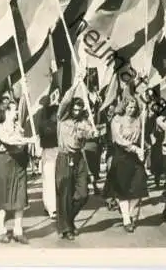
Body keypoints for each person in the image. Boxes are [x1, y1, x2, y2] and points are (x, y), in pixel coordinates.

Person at [55, 83, 101, 240]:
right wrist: (75, 83)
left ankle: (68, 220)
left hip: (79, 158)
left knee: (83, 194)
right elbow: (65, 101)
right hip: (64, 157)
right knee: (65, 194)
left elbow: (89, 133)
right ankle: (66, 228)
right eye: (74, 109)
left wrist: (94, 132)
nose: (76, 112)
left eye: (79, 110)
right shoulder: (62, 118)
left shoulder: (84, 122)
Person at [0, 101, 35, 244]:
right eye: (14, 110)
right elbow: (9, 141)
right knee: (3, 199)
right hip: (4, 164)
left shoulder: (18, 127)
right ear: (6, 112)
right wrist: (28, 139)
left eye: (16, 110)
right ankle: (2, 230)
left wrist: (23, 136)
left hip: (19, 164)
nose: (16, 113)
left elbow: (21, 144)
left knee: (20, 198)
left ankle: (18, 231)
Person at [103, 97, 148, 233]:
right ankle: (126, 219)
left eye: (134, 107)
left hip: (135, 158)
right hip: (121, 156)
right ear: (124, 107)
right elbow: (118, 139)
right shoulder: (117, 119)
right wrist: (135, 149)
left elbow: (142, 132)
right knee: (123, 190)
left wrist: (145, 108)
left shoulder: (138, 119)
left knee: (139, 186)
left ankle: (127, 213)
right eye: (129, 107)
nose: (132, 110)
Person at [38, 96, 59, 219]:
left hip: (58, 152)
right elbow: (46, 136)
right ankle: (51, 208)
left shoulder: (59, 124)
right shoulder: (45, 125)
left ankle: (54, 205)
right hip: (49, 153)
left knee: (58, 181)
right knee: (49, 181)